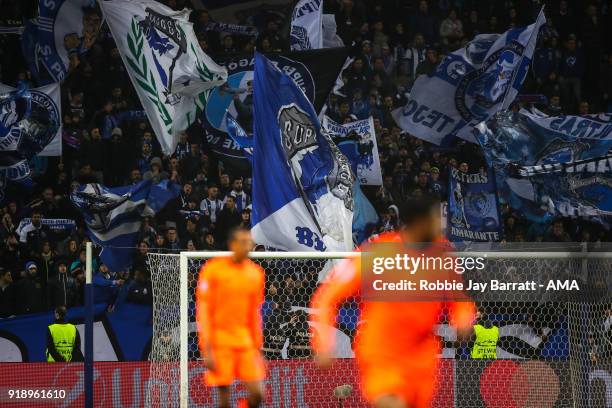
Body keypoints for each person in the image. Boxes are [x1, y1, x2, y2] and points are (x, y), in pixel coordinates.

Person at [311, 197, 475, 408]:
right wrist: (323, 345)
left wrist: (463, 321)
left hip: (421, 359)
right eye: (435, 220)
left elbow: (459, 300)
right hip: (382, 354)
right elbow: (327, 296)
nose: (440, 226)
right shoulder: (378, 252)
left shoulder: (443, 255)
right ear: (419, 223)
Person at [196, 227, 265, 408]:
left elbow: (254, 313)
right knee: (224, 401)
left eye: (250, 242)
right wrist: (206, 348)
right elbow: (204, 311)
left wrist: (258, 346)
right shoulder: (213, 270)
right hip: (220, 342)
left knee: (258, 395)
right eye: (243, 242)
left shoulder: (255, 274)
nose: (248, 246)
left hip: (245, 342)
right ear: (233, 244)